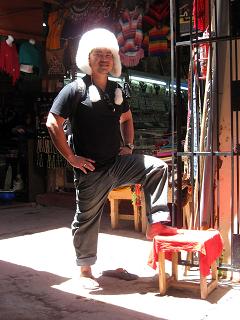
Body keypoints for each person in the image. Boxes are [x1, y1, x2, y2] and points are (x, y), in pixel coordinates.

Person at [46, 28, 177, 289]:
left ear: (114, 59)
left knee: (157, 167)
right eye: (98, 54)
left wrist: (128, 145)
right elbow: (52, 123)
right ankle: (85, 270)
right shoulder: (75, 89)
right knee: (86, 219)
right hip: (91, 170)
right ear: (88, 58)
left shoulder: (116, 90)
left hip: (117, 164)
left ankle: (157, 223)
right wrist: (71, 158)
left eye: (108, 54)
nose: (104, 58)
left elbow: (127, 118)